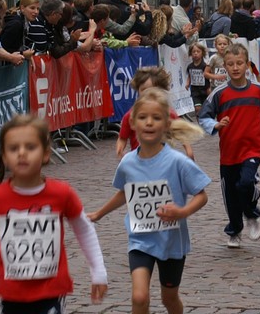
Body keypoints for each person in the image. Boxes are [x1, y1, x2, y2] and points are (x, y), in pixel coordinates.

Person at [0, 115, 108, 313]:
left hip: (51, 291)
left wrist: (98, 273)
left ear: (46, 153)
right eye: (13, 148)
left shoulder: (62, 193)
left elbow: (84, 230)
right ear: (4, 156)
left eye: (30, 147)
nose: (22, 153)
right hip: (12, 293)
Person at [88, 88, 209, 314]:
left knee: (169, 299)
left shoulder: (177, 161)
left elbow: (201, 195)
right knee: (139, 297)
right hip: (140, 240)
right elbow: (125, 193)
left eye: (156, 118)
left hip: (172, 242)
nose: (149, 123)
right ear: (133, 123)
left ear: (166, 124)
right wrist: (98, 214)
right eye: (143, 118)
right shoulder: (127, 163)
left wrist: (182, 212)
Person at [198, 43, 260, 248]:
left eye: (239, 63)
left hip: (252, 148)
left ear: (247, 65)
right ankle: (235, 230)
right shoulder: (219, 93)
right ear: (224, 66)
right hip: (228, 152)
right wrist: (215, 125)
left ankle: (252, 213)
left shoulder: (258, 90)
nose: (235, 68)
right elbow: (204, 116)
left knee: (245, 183)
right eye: (230, 64)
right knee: (231, 197)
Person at [116, 67, 194, 160]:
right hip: (139, 161)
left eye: (153, 90)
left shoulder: (167, 113)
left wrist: (189, 151)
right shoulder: (131, 115)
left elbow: (180, 132)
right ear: (138, 90)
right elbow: (123, 137)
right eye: (143, 90)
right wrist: (120, 149)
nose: (148, 94)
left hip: (164, 160)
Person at [186, 43, 210, 116]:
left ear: (202, 53)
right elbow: (190, 75)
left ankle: (206, 122)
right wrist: (187, 83)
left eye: (198, 51)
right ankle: (199, 123)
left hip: (205, 90)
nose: (196, 53)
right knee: (197, 108)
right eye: (194, 52)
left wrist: (209, 88)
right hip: (195, 91)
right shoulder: (190, 66)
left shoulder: (205, 66)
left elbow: (209, 76)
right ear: (191, 54)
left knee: (206, 109)